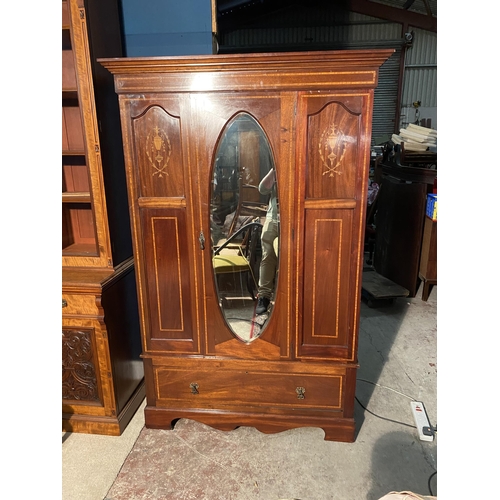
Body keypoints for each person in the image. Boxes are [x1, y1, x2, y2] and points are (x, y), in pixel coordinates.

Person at [255, 168, 278, 315]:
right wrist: (274, 171)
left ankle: (286, 295)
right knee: (267, 255)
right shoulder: (278, 169)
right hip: (273, 219)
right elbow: (262, 189)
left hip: (295, 219)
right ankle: (264, 297)